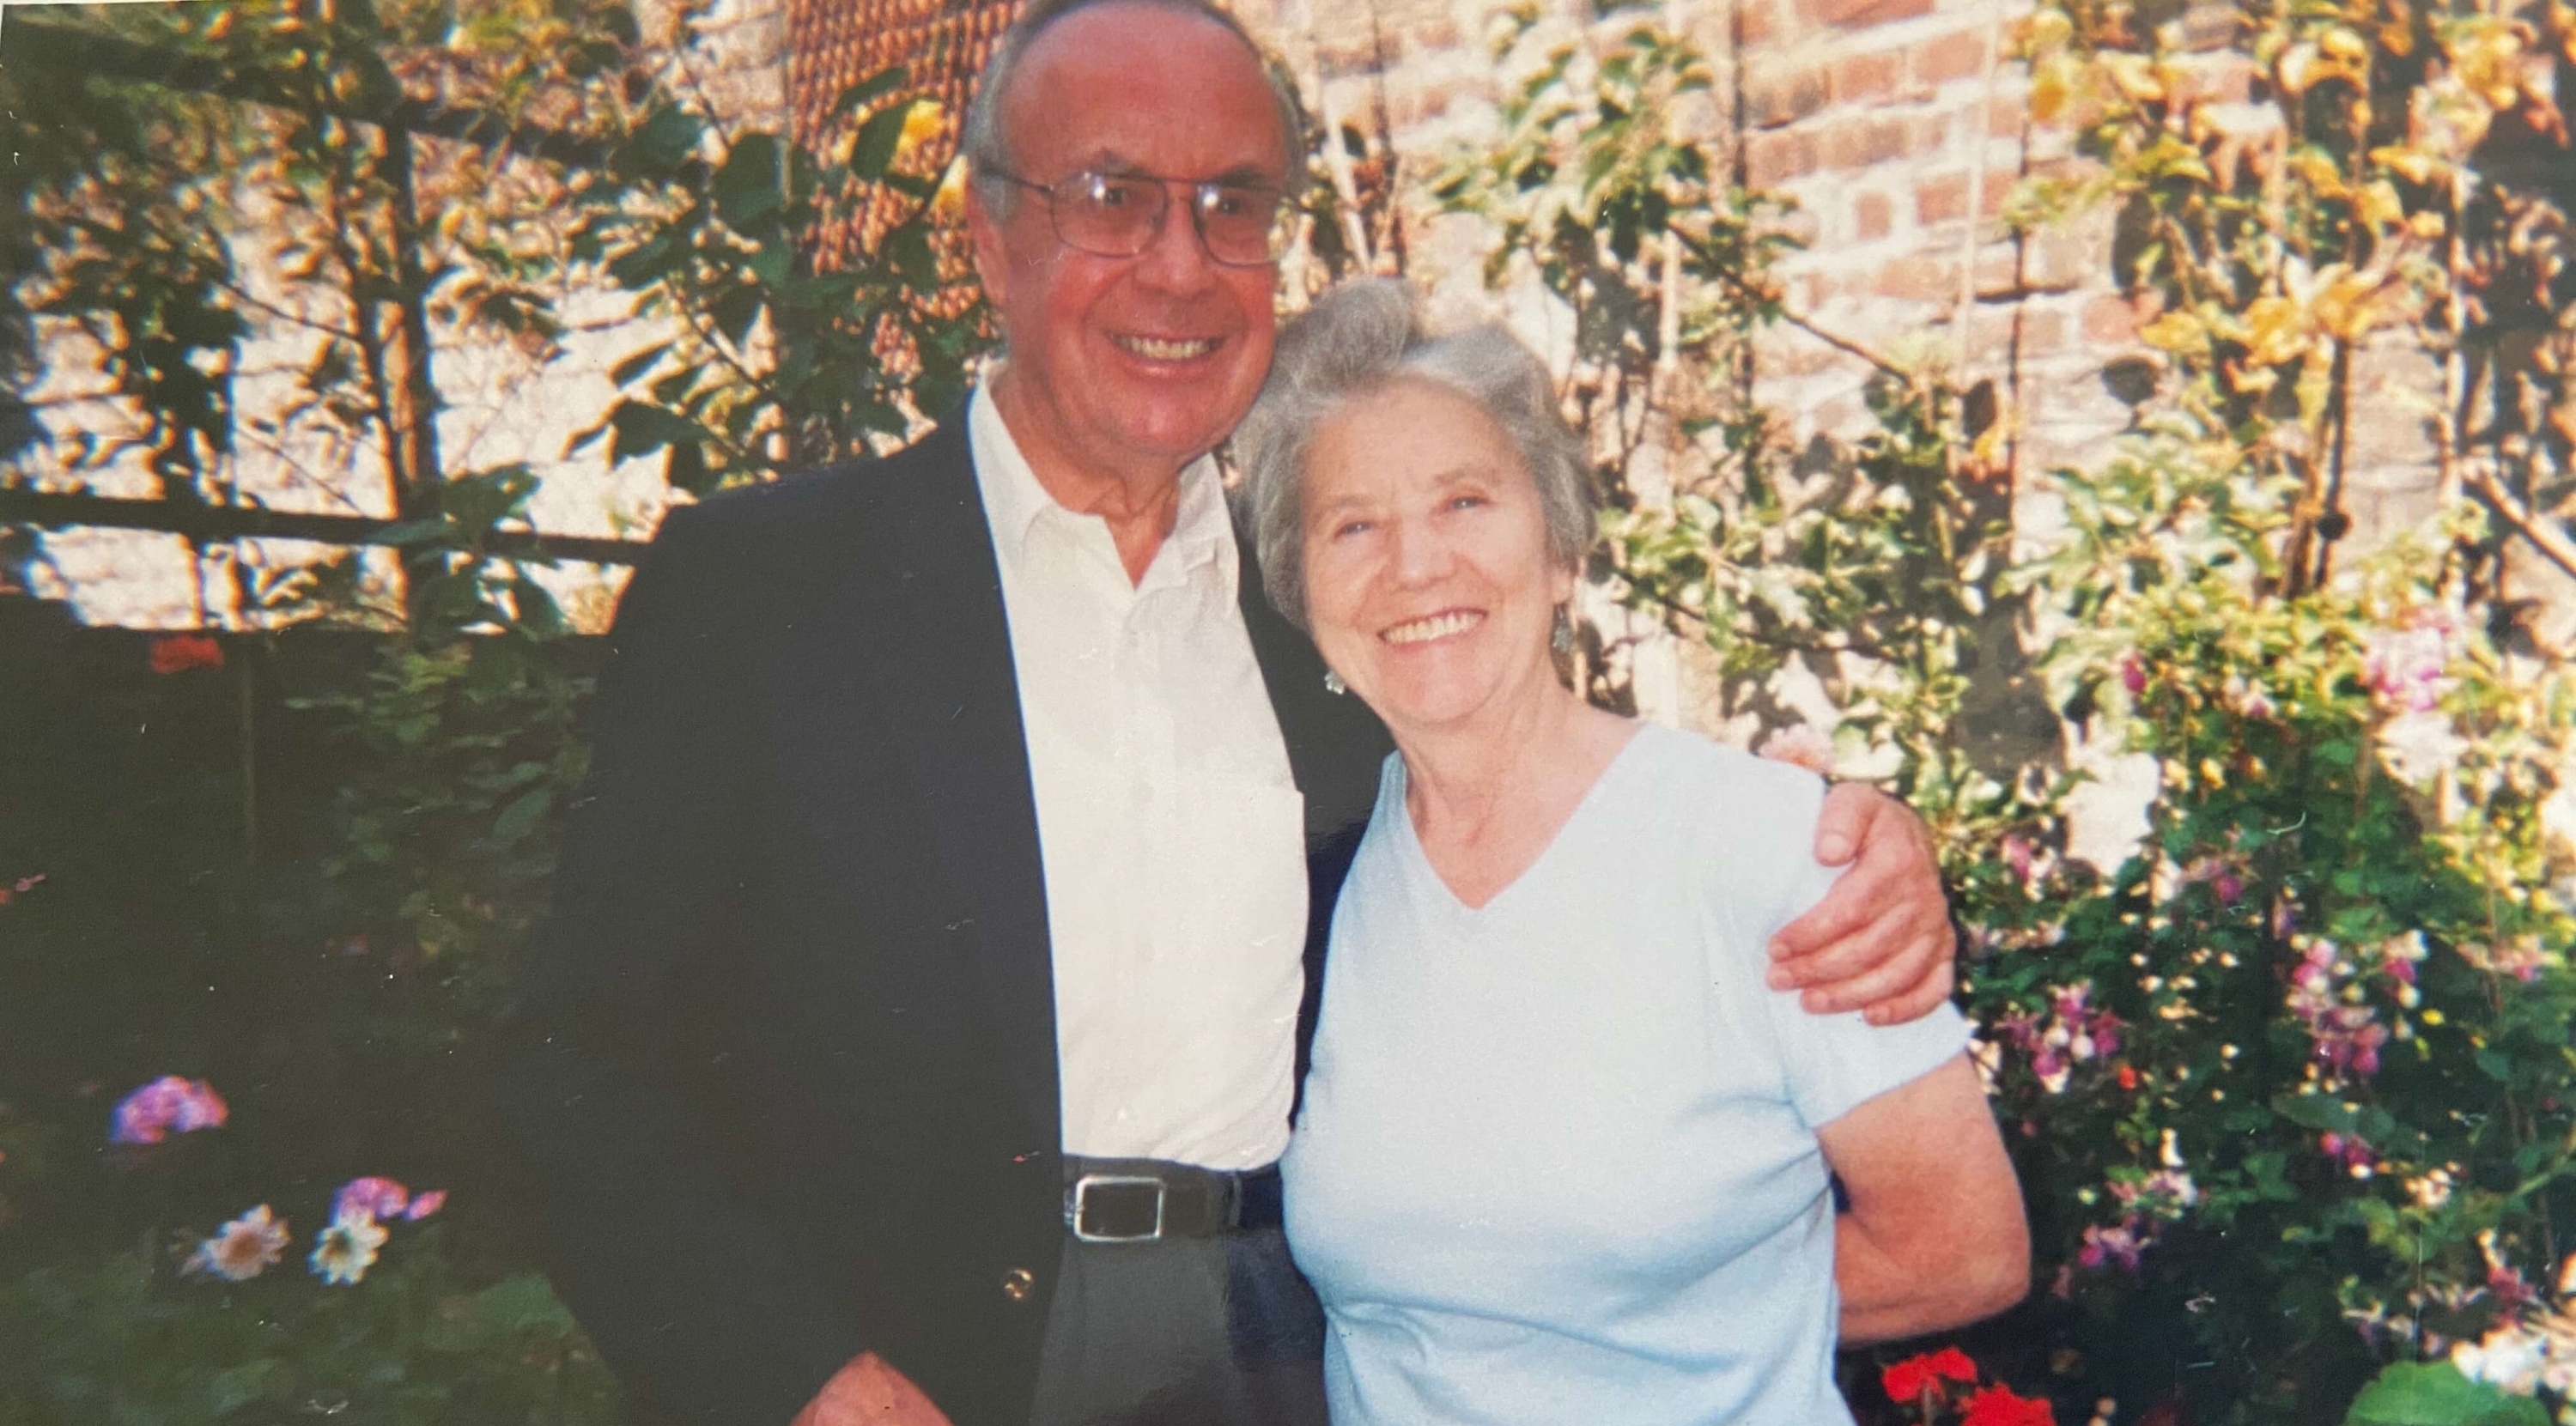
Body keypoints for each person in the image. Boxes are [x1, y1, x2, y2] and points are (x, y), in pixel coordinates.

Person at [493, 4, 1967, 1425]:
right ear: (990, 234)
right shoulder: (769, 591)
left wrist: (1854, 842)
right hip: (915, 1357)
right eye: (1111, 198)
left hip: (1273, 1353)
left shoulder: (1328, 615)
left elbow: (1537, 807)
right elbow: (576, 1070)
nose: (1179, 267)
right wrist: (801, 1376)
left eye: (1232, 206)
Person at [1238, 279, 2029, 1423]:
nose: (1415, 565)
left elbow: (1963, 1248)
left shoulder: (1765, 849)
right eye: (1352, 524)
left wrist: (1661, 1333)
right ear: (1305, 595)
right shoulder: (1311, 888)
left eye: (1464, 501)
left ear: (1561, 551)